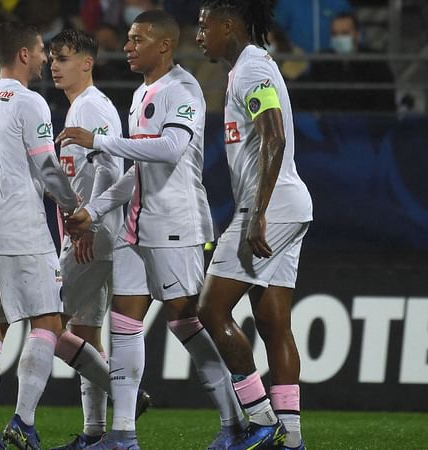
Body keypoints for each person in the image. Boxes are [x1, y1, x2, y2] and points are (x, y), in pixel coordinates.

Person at [59, 9, 247, 449]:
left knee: (186, 323)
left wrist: (100, 141)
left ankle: (235, 423)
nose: (127, 46)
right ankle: (123, 434)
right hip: (135, 227)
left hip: (175, 224)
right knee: (125, 325)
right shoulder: (143, 91)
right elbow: (139, 170)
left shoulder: (183, 88)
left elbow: (171, 148)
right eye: (127, 38)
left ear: (163, 45)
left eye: (137, 39)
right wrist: (99, 208)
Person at [195, 1, 313, 449]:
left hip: (271, 207)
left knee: (210, 308)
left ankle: (261, 421)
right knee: (273, 322)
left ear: (229, 25)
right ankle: (291, 439)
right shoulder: (248, 67)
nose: (200, 35)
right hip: (288, 204)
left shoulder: (251, 70)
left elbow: (275, 135)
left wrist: (258, 212)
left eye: (205, 26)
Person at [0, 21, 78, 450]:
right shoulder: (30, 103)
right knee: (47, 323)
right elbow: (47, 168)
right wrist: (75, 208)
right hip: (22, 229)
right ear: (25, 54)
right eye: (42, 50)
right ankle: (24, 421)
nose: (47, 58)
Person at [45, 29, 125, 450]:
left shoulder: (90, 108)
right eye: (52, 58)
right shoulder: (86, 107)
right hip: (96, 232)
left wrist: (90, 223)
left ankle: (124, 397)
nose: (54, 65)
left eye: (63, 57)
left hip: (92, 235)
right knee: (86, 332)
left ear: (87, 63)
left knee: (47, 323)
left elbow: (111, 168)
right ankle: (95, 434)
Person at [298, 12, 395, 112]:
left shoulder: (375, 62)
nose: (339, 38)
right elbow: (311, 100)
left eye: (345, 33)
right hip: (329, 124)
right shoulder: (321, 63)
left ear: (357, 34)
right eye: (335, 34)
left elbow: (385, 102)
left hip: (368, 123)